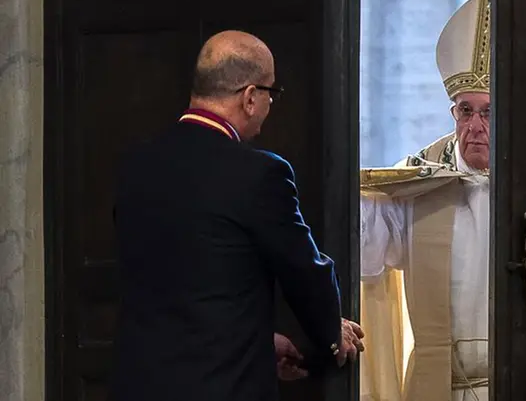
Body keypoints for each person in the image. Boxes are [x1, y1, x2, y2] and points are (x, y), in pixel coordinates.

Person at [110, 30, 363, 401]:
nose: (269, 106)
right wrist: (329, 337)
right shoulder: (259, 174)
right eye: (271, 94)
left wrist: (259, 342)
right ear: (250, 97)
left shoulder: (135, 165)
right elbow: (304, 271)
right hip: (222, 386)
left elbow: (179, 286)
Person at [359, 0, 491, 401]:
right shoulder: (423, 177)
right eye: (464, 111)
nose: (474, 126)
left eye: (488, 111)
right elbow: (370, 255)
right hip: (438, 387)